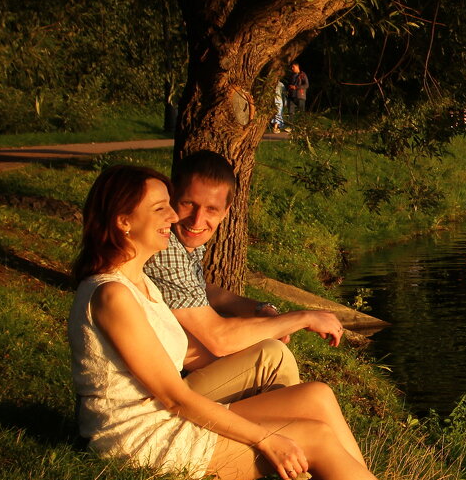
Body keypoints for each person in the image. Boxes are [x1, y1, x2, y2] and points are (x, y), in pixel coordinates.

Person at [68, 164, 466, 480]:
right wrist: (266, 439)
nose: (175, 215)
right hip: (142, 442)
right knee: (315, 438)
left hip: (163, 419)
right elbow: (173, 397)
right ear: (124, 222)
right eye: (160, 207)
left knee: (316, 395)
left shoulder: (138, 281)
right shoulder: (113, 296)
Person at [144, 151, 345, 367]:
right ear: (171, 200)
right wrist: (304, 318)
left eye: (211, 209)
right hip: (159, 379)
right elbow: (219, 339)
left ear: (225, 212)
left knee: (275, 358)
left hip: (172, 367)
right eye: (189, 204)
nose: (198, 219)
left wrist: (263, 311)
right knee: (272, 358)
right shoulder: (164, 247)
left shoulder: (185, 244)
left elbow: (202, 291)